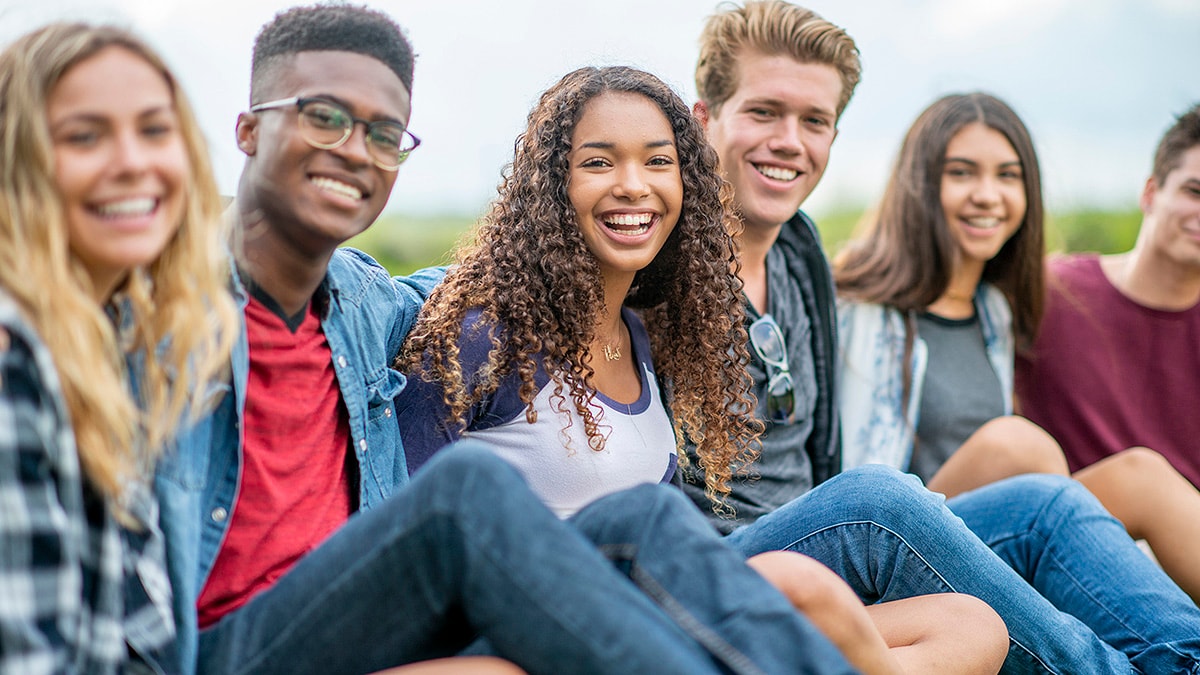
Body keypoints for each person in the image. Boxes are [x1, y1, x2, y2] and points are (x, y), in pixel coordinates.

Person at [160, 5, 868, 675]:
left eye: (383, 135)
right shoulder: (168, 300)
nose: (354, 151)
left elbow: (477, 286)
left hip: (363, 602)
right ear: (248, 130)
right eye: (323, 119)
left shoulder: (362, 305)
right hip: (225, 646)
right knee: (469, 487)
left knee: (645, 513)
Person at [397, 64, 1007, 675]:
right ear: (550, 185)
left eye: (658, 162)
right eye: (599, 162)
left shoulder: (638, 334)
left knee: (970, 627)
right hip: (547, 632)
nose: (634, 185)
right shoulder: (483, 336)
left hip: (664, 610)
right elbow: (407, 543)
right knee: (816, 583)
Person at [680, 1, 1200, 672]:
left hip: (824, 541)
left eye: (814, 121)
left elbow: (816, 457)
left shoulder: (798, 252)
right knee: (880, 494)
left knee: (1046, 502)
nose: (789, 140)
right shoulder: (665, 261)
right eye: (763, 112)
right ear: (704, 119)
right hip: (726, 560)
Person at [832, 92, 1200, 603]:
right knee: (1020, 447)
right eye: (962, 173)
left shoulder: (998, 313)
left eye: (1008, 176)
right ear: (920, 184)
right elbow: (846, 472)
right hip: (892, 545)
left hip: (987, 539)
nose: (988, 194)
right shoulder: (854, 309)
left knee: (1138, 476)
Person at [0, 22, 239, 672]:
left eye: (155, 130)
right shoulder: (12, 359)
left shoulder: (105, 334)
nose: (133, 161)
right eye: (84, 136)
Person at [1015, 104, 1200, 592]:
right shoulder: (1051, 291)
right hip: (1068, 546)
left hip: (1182, 562)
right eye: (1194, 191)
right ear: (1150, 192)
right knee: (1143, 476)